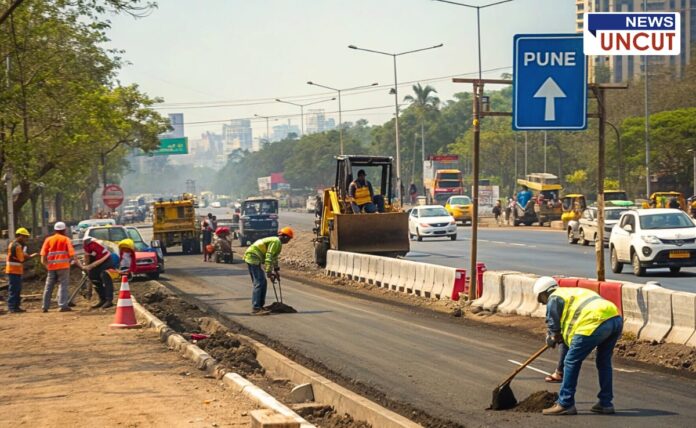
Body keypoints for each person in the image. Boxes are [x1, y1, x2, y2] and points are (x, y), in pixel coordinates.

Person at [533, 276, 622, 416]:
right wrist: (557, 337)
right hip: (614, 318)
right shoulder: (573, 292)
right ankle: (605, 403)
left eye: (542, 300)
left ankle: (565, 403)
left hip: (594, 322)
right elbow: (566, 339)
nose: (544, 303)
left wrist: (553, 336)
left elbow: (553, 324)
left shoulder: (554, 297)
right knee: (603, 362)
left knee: (571, 361)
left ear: (544, 293)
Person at [243, 227, 294, 315]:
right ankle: (256, 308)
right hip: (253, 256)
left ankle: (260, 306)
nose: (288, 241)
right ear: (285, 237)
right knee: (259, 282)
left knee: (263, 282)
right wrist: (269, 272)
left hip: (252, 256)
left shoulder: (276, 242)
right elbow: (269, 256)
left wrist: (276, 270)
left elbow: (274, 258)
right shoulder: (276, 242)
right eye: (289, 239)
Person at [41, 222, 80, 312]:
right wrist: (78, 264)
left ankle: (45, 306)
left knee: (48, 286)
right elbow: (72, 254)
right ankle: (62, 305)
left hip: (51, 267)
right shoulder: (66, 239)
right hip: (63, 266)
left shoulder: (48, 239)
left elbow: (43, 255)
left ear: (55, 230)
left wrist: (46, 265)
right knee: (63, 285)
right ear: (64, 230)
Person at [5, 227, 38, 313]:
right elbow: (21, 259)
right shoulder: (17, 246)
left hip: (15, 270)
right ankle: (12, 307)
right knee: (14, 289)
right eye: (25, 236)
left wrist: (27, 255)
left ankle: (15, 306)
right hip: (13, 270)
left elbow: (21, 256)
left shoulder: (14, 244)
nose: (26, 239)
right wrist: (31, 256)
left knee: (17, 289)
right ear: (19, 236)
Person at [82, 236, 116, 309]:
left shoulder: (92, 245)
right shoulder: (92, 244)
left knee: (105, 277)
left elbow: (87, 258)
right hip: (99, 261)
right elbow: (87, 257)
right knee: (94, 278)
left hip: (106, 262)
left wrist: (87, 266)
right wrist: (88, 267)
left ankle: (109, 300)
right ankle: (102, 299)